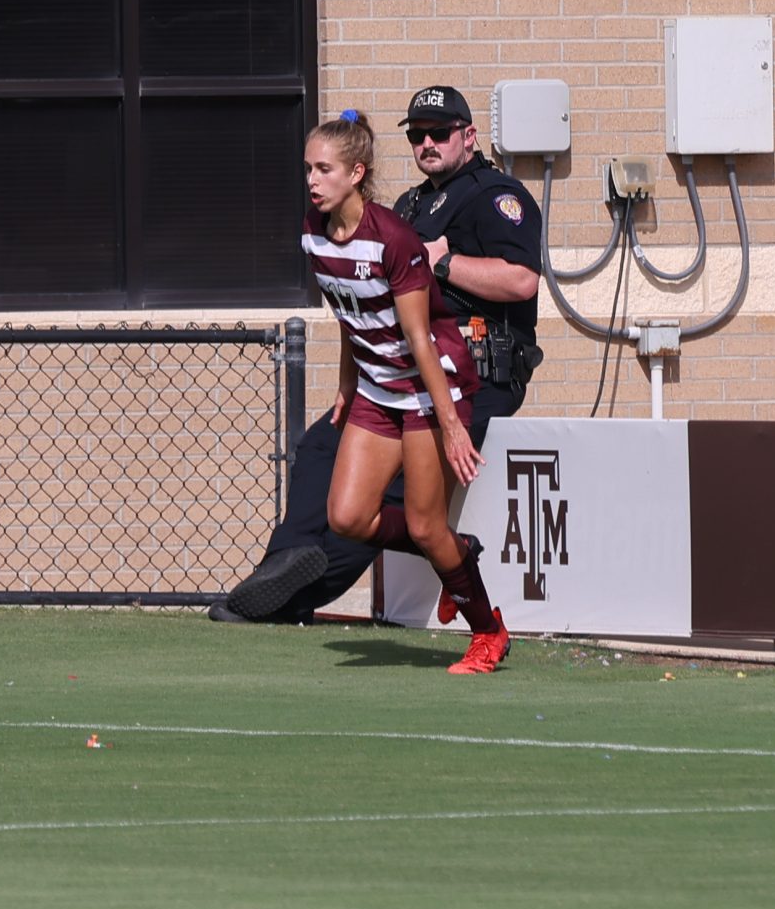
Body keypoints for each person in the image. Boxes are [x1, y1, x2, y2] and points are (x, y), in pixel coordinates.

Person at [215, 85, 543, 625]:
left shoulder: (494, 196)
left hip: (471, 376)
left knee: (388, 497)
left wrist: (442, 263)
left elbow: (522, 281)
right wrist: (350, 383)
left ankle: (294, 601)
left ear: (469, 135)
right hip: (396, 377)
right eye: (417, 135)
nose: (428, 143)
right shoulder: (411, 205)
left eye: (440, 133)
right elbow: (362, 303)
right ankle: (279, 571)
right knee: (320, 444)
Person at [295, 111, 510, 674]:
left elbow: (418, 337)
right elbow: (348, 311)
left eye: (324, 169)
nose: (313, 180)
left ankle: (488, 631)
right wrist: (347, 381)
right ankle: (456, 555)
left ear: (356, 173)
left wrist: (452, 423)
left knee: (423, 526)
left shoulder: (394, 238)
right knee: (345, 518)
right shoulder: (313, 230)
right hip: (375, 390)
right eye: (308, 169)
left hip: (427, 385)